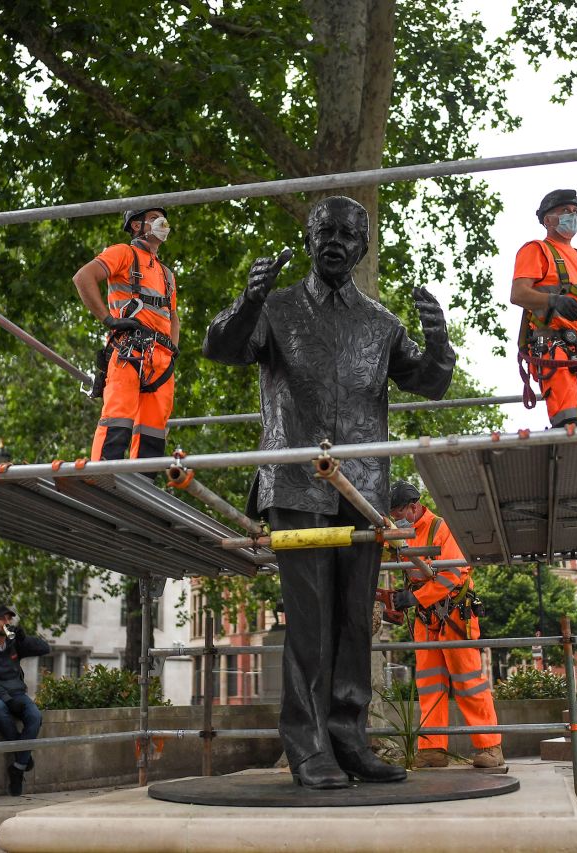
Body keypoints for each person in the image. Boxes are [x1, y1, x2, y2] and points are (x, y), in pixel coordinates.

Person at [203, 196, 455, 789]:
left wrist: (438, 337)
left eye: (348, 233)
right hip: (295, 483)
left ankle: (349, 737)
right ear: (310, 239)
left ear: (363, 246)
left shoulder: (381, 321)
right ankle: (307, 745)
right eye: (325, 231)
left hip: (364, 488)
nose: (336, 240)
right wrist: (249, 299)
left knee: (354, 624)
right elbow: (220, 347)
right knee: (311, 622)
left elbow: (431, 383)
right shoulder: (279, 306)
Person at [388, 481, 504, 770]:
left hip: (455, 615)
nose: (396, 518)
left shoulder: (441, 528)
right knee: (429, 685)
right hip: (428, 619)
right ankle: (432, 751)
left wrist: (414, 597)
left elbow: (453, 573)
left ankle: (490, 747)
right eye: (391, 514)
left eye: (398, 512)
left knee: (468, 683)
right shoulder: (401, 533)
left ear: (414, 506)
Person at [73, 207, 180, 460]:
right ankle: (103, 481)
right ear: (136, 225)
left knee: (153, 432)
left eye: (162, 218)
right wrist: (108, 319)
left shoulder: (167, 275)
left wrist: (173, 351)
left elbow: (172, 316)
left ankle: (141, 490)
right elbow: (83, 277)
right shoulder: (123, 253)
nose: (161, 223)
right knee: (117, 420)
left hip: (162, 358)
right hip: (129, 349)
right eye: (153, 218)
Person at [510, 189, 577, 428]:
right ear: (547, 220)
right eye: (565, 211)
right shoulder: (536, 250)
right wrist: (553, 301)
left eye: (574, 212)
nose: (572, 216)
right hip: (556, 351)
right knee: (569, 426)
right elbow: (518, 294)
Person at [0, 605, 51, 796]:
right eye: (2, 619)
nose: (7, 622)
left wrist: (25, 638)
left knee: (34, 716)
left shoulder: (14, 644)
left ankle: (18, 767)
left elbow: (45, 648)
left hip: (16, 693)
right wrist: (7, 699)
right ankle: (22, 754)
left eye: (9, 619)